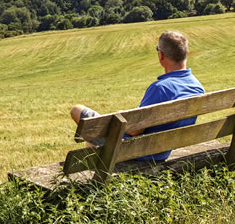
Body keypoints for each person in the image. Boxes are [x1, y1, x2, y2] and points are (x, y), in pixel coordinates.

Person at [69, 30, 205, 161]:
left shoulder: (160, 88)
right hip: (163, 150)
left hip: (138, 152)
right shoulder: (197, 87)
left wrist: (122, 116)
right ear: (186, 53)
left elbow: (135, 131)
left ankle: (100, 176)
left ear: (161, 55)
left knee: (78, 110)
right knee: (93, 139)